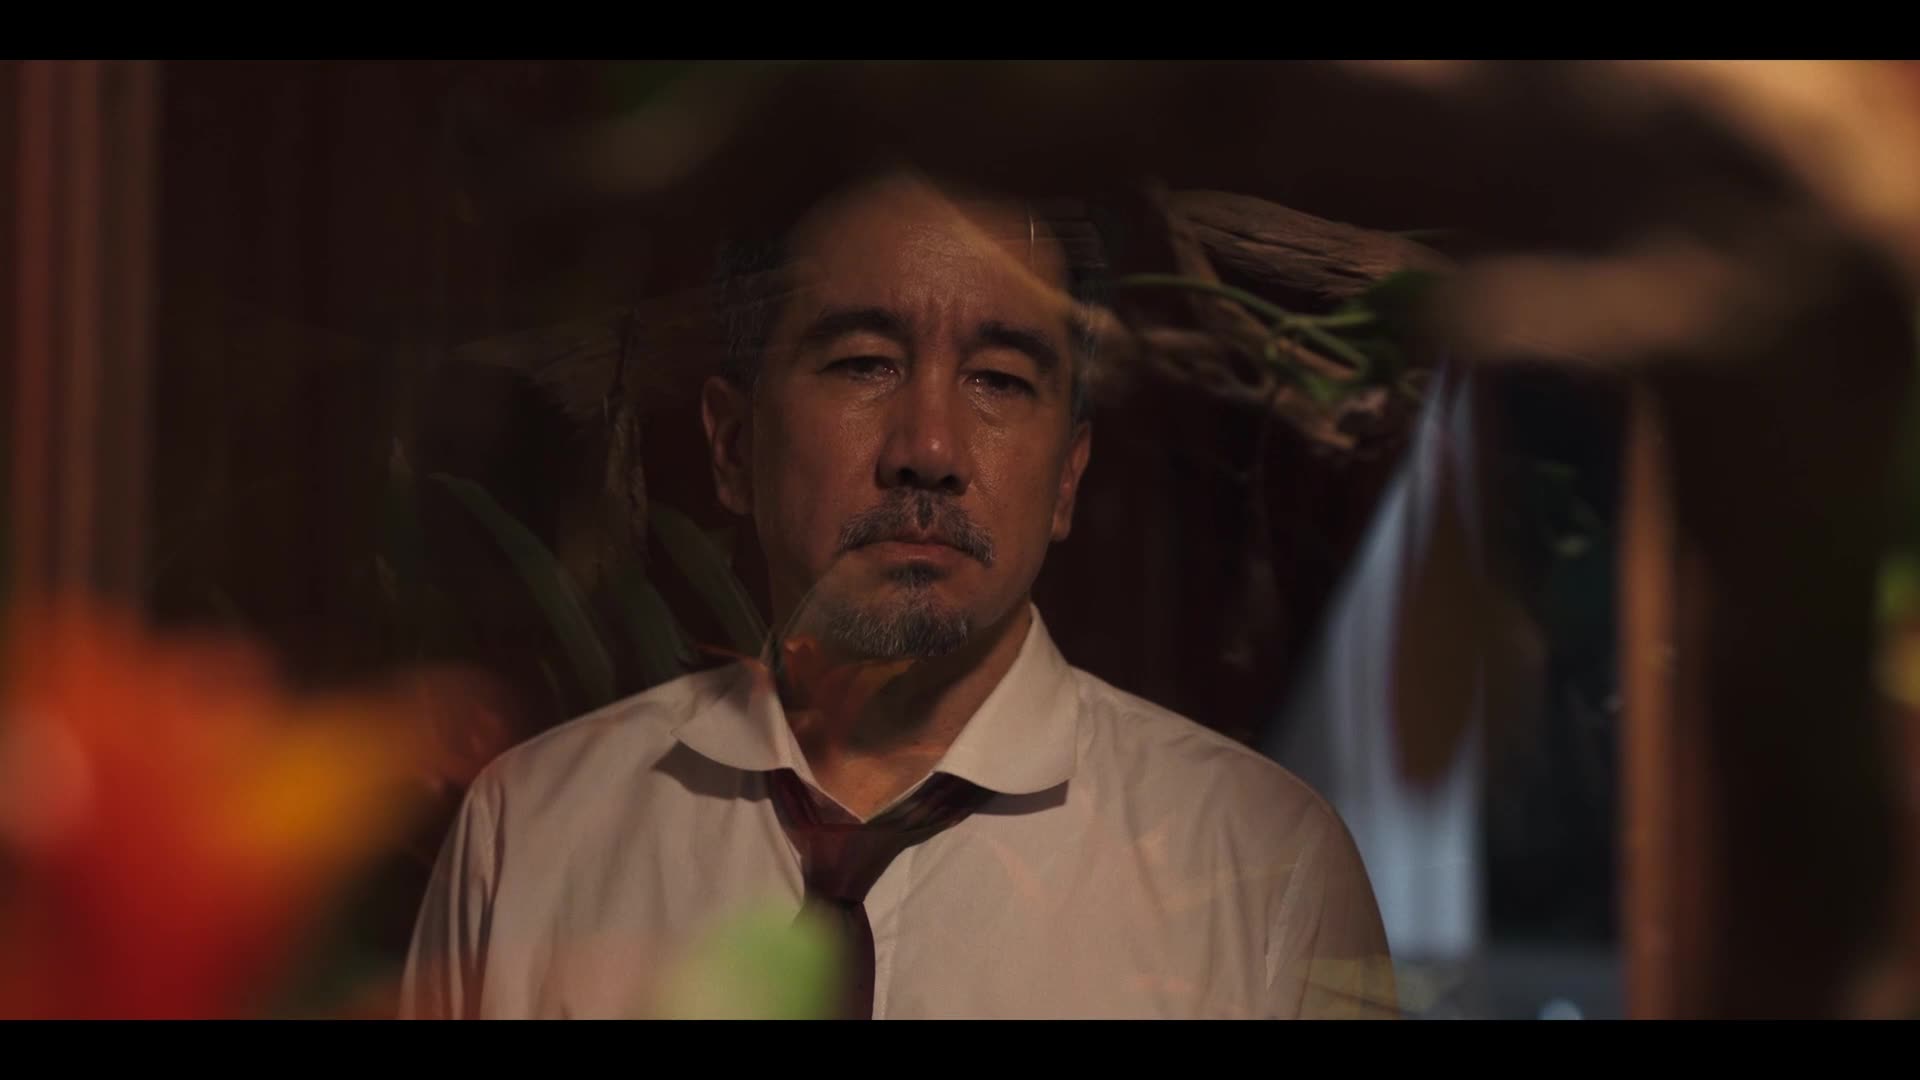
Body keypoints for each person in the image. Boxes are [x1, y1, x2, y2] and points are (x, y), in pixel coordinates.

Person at [399, 168, 1396, 1019]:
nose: (928, 449)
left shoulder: (1261, 868)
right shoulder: (533, 832)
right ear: (735, 447)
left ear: (1068, 477)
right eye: (865, 364)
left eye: (1000, 379)